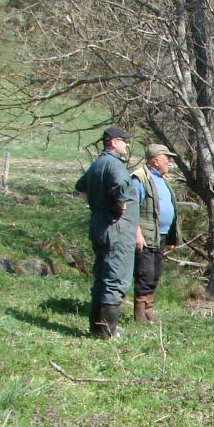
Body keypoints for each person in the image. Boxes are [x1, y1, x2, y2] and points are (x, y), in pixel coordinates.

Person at [75, 125, 137, 338]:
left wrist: (97, 205)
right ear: (113, 142)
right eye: (124, 140)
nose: (127, 144)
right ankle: (107, 332)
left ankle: (97, 328)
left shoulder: (97, 164)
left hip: (100, 225)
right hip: (116, 229)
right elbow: (120, 185)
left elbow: (80, 187)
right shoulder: (114, 165)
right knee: (116, 279)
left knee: (102, 278)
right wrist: (119, 205)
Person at [128, 143, 180, 324]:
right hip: (146, 237)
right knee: (145, 273)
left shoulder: (162, 179)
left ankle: (149, 310)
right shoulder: (139, 179)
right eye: (167, 158)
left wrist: (172, 236)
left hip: (161, 235)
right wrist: (137, 234)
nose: (169, 162)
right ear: (156, 160)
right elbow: (131, 209)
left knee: (155, 272)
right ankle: (140, 314)